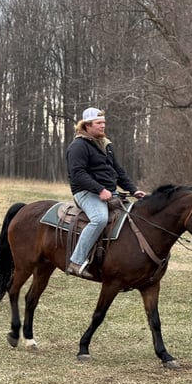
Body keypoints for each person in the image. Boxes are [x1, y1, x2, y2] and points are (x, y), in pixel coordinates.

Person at [65, 107, 146, 278]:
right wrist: (100, 190)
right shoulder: (78, 146)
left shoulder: (105, 145)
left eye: (103, 122)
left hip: (108, 192)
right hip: (86, 193)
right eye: (98, 123)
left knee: (133, 217)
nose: (103, 126)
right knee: (100, 219)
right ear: (87, 125)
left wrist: (133, 190)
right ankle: (76, 261)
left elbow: (118, 171)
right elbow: (78, 174)